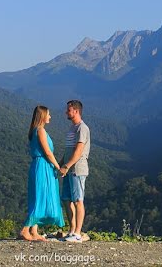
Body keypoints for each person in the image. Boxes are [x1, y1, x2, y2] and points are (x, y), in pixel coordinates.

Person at [20, 105, 65, 241]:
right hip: (43, 167)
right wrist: (58, 167)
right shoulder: (40, 131)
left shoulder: (35, 130)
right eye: (49, 114)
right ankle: (24, 230)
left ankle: (34, 231)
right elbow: (47, 152)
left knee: (38, 197)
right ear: (43, 116)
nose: (50, 117)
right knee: (40, 197)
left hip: (39, 166)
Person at [58, 99, 91, 243]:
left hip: (77, 169)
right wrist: (60, 163)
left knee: (78, 200)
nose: (66, 112)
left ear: (76, 111)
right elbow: (69, 150)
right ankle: (72, 230)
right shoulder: (72, 128)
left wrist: (67, 165)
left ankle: (77, 233)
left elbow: (78, 151)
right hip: (69, 169)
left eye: (68, 110)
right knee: (66, 199)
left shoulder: (82, 128)